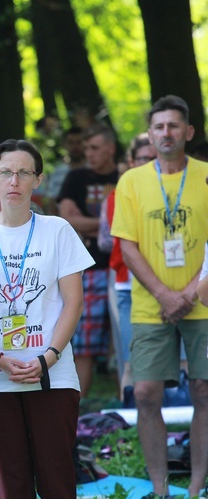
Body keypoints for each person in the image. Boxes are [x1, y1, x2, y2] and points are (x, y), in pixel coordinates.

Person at [0, 139, 93, 498]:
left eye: (24, 173)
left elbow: (73, 303)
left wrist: (48, 357)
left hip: (52, 372)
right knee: (10, 483)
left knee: (57, 478)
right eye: (6, 172)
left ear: (38, 179)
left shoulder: (58, 230)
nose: (14, 181)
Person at [111, 95, 208, 499]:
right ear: (149, 135)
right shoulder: (131, 181)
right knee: (147, 392)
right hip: (151, 305)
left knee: (205, 390)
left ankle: (198, 485)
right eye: (158, 127)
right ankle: (160, 488)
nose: (166, 133)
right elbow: (127, 245)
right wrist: (166, 295)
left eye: (173, 126)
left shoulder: (205, 175)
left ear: (188, 132)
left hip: (202, 302)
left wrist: (189, 294)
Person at [58, 123, 119, 398]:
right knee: (83, 343)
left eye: (95, 148)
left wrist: (91, 226)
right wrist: (109, 225)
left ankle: (127, 405)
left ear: (111, 148)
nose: (89, 154)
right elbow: (67, 219)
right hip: (88, 268)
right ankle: (80, 409)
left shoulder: (124, 177)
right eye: (86, 149)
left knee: (123, 341)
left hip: (122, 268)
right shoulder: (76, 177)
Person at [98, 134, 157, 397]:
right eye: (144, 158)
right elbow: (114, 242)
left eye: (154, 158)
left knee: (181, 363)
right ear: (131, 161)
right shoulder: (118, 194)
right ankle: (130, 429)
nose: (150, 164)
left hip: (177, 286)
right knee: (131, 360)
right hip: (128, 285)